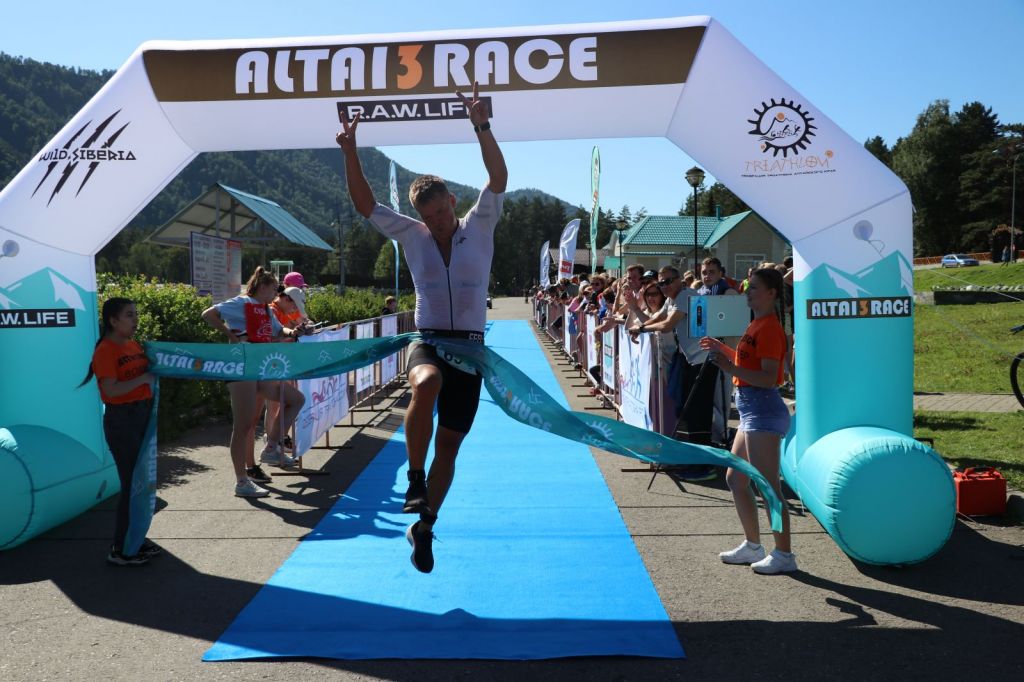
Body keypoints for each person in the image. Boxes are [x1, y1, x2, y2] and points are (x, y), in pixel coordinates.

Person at [336, 81, 507, 573]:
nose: (435, 222)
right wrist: (351, 152)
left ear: (453, 201)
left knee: (449, 446)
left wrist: (481, 125)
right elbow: (366, 203)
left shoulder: (481, 225)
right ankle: (413, 478)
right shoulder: (411, 235)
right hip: (429, 340)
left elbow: (497, 177)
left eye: (439, 212)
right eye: (427, 217)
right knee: (426, 383)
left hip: (472, 348)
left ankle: (425, 525)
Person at [700, 267, 796, 574]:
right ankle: (753, 545)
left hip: (763, 410)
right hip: (751, 410)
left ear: (771, 293)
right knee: (736, 478)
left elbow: (769, 377)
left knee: (768, 486)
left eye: (754, 288)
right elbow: (748, 362)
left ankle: (784, 554)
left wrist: (729, 367)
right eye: (747, 287)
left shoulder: (769, 328)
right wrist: (724, 350)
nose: (748, 292)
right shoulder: (757, 324)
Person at [202, 266, 306, 497]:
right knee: (244, 426)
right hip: (241, 368)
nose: (276, 292)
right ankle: (241, 481)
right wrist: (229, 334)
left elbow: (280, 332)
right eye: (274, 287)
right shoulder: (241, 303)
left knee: (296, 399)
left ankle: (271, 446)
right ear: (263, 287)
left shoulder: (265, 310)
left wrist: (297, 331)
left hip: (259, 367)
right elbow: (207, 314)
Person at [81, 297, 161, 566]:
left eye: (135, 313)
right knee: (132, 485)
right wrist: (144, 379)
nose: (135, 319)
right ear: (113, 321)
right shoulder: (105, 350)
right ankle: (121, 549)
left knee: (142, 485)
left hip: (140, 416)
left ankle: (134, 539)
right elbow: (111, 390)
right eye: (129, 315)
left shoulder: (133, 343)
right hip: (122, 421)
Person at [628, 266, 718, 482]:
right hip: (691, 360)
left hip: (704, 360)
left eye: (669, 281)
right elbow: (656, 317)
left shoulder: (686, 295)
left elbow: (667, 325)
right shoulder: (672, 299)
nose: (665, 286)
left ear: (680, 281)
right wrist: (636, 326)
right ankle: (695, 460)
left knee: (698, 415)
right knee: (686, 411)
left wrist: (640, 330)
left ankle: (705, 465)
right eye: (662, 283)